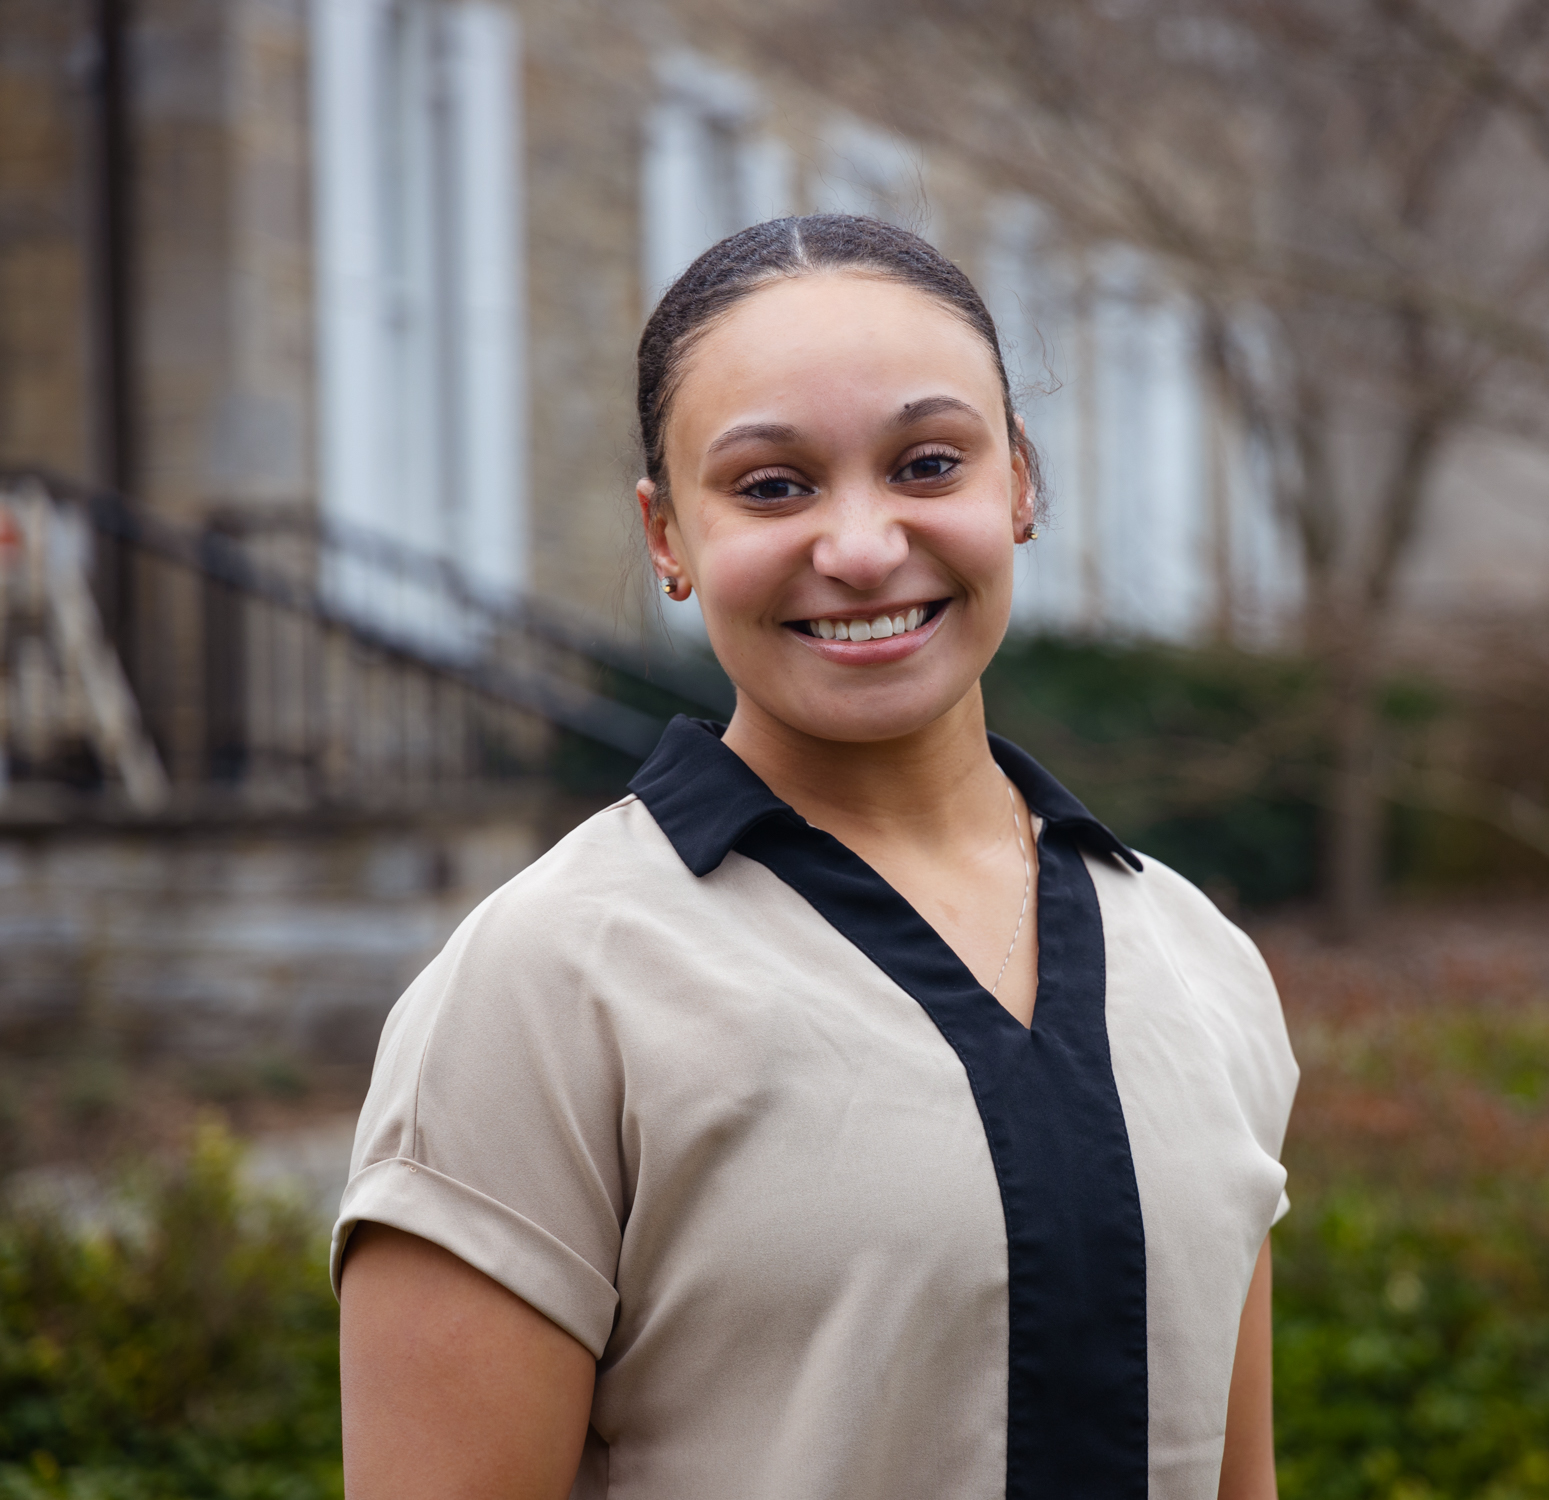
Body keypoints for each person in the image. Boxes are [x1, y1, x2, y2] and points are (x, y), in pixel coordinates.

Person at [333, 214, 1298, 1500]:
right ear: (666, 535)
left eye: (927, 462)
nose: (857, 547)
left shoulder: (1194, 960)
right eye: (772, 485)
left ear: (1016, 483)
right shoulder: (546, 985)